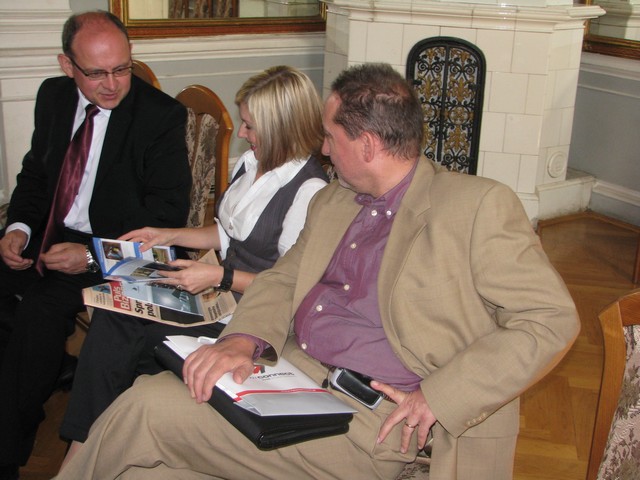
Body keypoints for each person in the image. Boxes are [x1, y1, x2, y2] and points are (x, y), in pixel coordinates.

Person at [55, 63, 580, 480]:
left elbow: (550, 318)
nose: (323, 149)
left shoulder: (477, 206)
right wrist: (241, 339)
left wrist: (439, 398)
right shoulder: (334, 200)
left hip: (374, 420)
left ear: (367, 145)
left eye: (330, 137)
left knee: (146, 409)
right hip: (292, 374)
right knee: (148, 468)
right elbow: (284, 279)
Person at [58, 65, 328, 468]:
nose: (242, 134)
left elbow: (291, 285)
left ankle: (83, 453)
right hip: (219, 296)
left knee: (120, 336)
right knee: (117, 313)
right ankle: (90, 448)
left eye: (251, 126)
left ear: (280, 129)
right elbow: (226, 234)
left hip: (251, 320)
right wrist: (165, 235)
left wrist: (220, 275)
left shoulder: (309, 191)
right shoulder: (253, 163)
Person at [0, 11, 192, 479]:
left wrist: (90, 255)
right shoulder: (52, 96)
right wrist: (19, 227)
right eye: (96, 73)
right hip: (50, 233)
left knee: (38, 312)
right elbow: (36, 174)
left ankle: (8, 450)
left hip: (119, 251)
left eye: (122, 68)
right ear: (67, 65)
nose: (112, 84)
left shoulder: (160, 117)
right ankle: (38, 379)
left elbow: (167, 219)